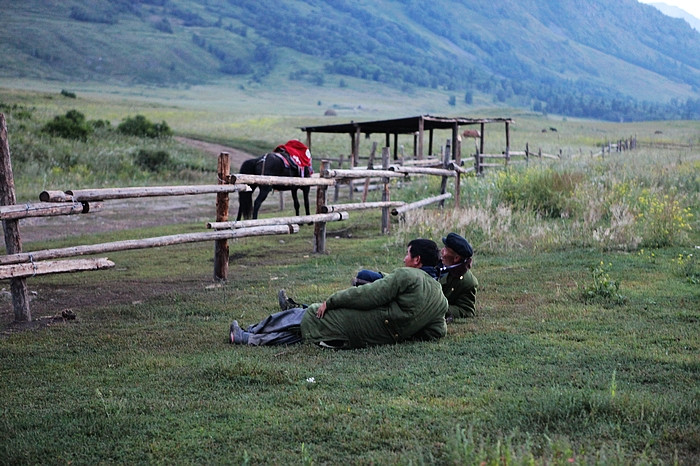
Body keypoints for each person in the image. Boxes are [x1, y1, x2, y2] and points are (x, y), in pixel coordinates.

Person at [229, 239, 448, 349]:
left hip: (358, 327)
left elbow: (368, 294)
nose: (404, 259)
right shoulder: (440, 298)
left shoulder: (407, 275)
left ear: (417, 260)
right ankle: (251, 336)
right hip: (370, 339)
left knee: (308, 314)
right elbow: (437, 331)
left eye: (407, 255)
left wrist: (331, 301)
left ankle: (248, 334)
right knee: (304, 332)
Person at [437, 233, 478, 322]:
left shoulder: (468, 282)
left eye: (446, 250)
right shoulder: (434, 263)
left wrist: (440, 309)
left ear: (456, 258)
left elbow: (466, 310)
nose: (442, 251)